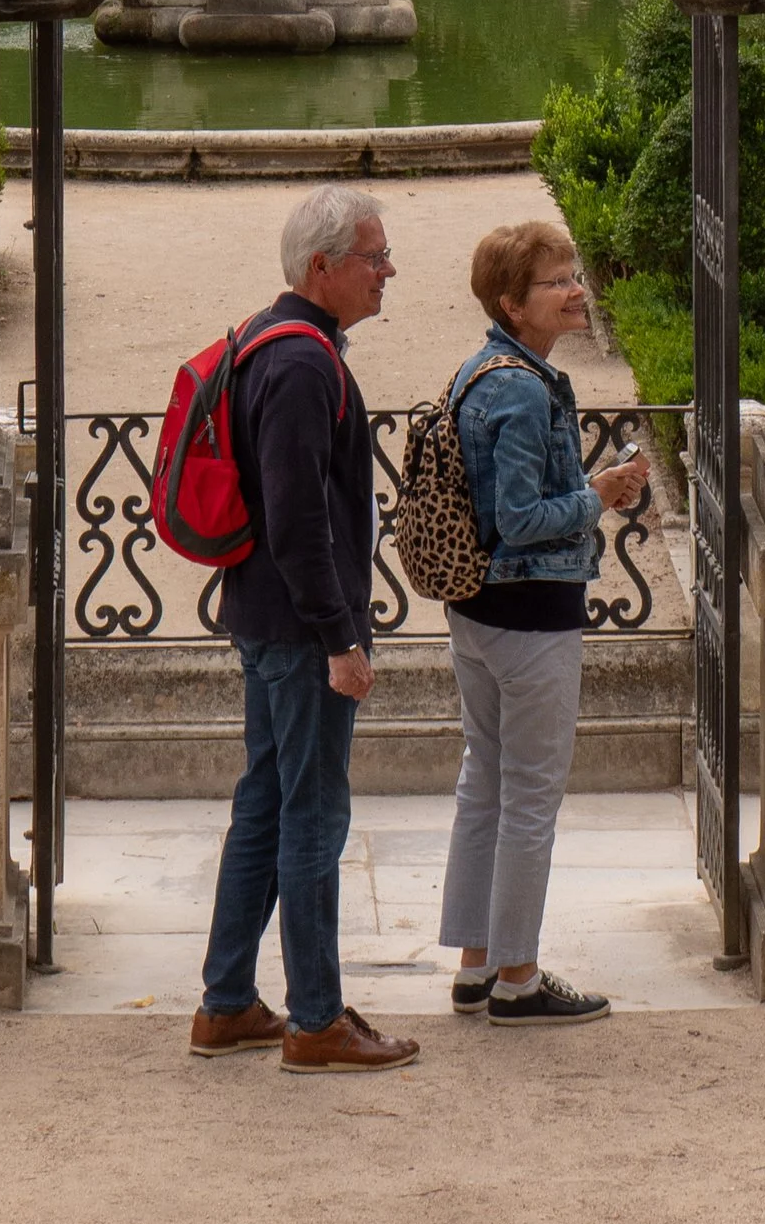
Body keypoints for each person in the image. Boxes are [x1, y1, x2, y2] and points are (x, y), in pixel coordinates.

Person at [190, 182, 421, 1073]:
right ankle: (316, 1019)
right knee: (313, 816)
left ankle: (226, 1003)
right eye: (374, 255)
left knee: (264, 805)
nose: (388, 268)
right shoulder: (302, 364)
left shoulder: (272, 340)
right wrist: (340, 638)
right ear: (322, 267)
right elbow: (298, 523)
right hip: (297, 629)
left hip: (265, 615)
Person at [438, 219, 649, 1027]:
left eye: (572, 273)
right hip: (531, 617)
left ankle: (476, 965)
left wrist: (592, 485)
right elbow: (521, 518)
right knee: (528, 796)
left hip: (479, 611)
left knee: (484, 783)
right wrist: (599, 495)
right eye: (555, 280)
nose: (575, 288)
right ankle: (519, 977)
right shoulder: (523, 387)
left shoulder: (483, 369)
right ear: (510, 302)